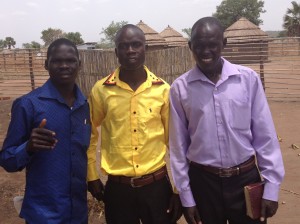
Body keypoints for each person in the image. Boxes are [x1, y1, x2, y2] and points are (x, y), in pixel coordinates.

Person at [169, 17, 285, 224]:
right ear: (190, 46)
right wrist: (187, 197)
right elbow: (178, 148)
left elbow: (265, 137)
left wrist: (271, 189)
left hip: (246, 180)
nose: (206, 51)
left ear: (224, 43)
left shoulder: (247, 79)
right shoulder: (180, 89)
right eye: (199, 45)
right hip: (204, 184)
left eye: (212, 44)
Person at [87, 24, 181, 224]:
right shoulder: (101, 90)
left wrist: (178, 188)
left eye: (136, 44)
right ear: (116, 51)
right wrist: (92, 175)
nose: (130, 50)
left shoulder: (163, 90)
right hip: (117, 190)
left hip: (156, 188)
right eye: (124, 45)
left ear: (145, 48)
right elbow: (90, 134)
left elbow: (175, 142)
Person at [0, 38, 91, 223]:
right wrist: (28, 147)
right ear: (46, 64)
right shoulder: (28, 104)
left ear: (79, 65)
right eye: (57, 61)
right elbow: (7, 160)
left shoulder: (84, 105)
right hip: (44, 215)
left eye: (71, 60)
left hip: (78, 213)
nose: (64, 65)